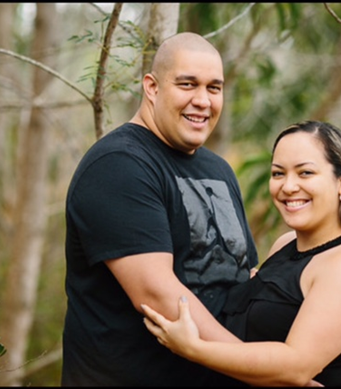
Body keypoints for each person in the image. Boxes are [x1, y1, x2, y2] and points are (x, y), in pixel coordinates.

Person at [61, 32, 259, 386]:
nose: (202, 100)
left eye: (214, 88)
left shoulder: (219, 170)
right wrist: (258, 369)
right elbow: (158, 294)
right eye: (187, 84)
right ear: (151, 88)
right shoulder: (118, 165)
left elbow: (243, 273)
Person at [142, 120, 341, 387]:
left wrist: (194, 349)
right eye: (278, 173)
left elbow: (294, 366)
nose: (288, 186)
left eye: (305, 173)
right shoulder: (286, 245)